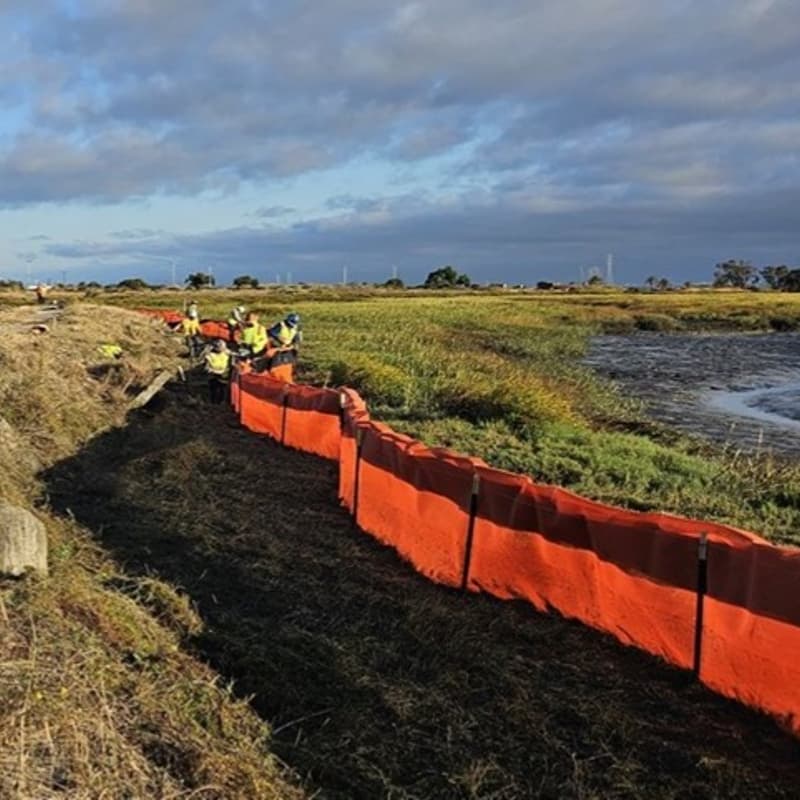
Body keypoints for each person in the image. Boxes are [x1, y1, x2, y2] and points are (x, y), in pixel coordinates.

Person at [204, 339, 231, 404]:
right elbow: (206, 368)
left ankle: (222, 402)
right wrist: (213, 372)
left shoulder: (227, 354)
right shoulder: (209, 356)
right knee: (214, 390)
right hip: (213, 376)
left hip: (224, 376)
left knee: (223, 390)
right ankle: (213, 403)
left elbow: (230, 364)